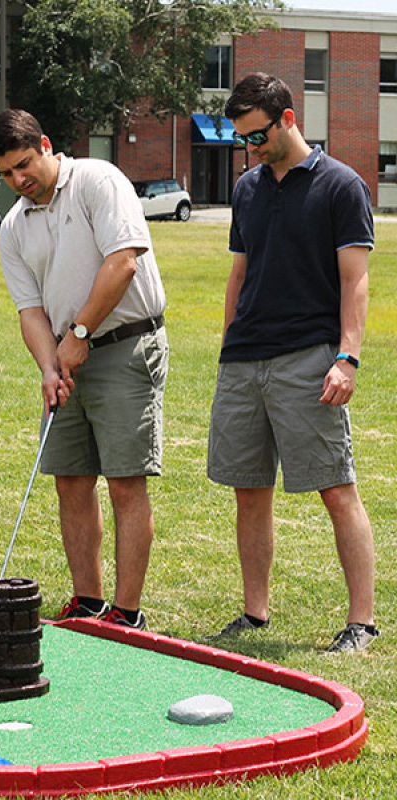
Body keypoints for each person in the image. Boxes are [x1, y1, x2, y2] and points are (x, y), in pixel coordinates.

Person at [207, 73, 378, 653]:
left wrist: (346, 358)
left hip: (310, 356)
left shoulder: (341, 185)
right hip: (245, 360)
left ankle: (362, 622)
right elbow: (239, 273)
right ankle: (255, 614)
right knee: (248, 490)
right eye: (241, 141)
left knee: (336, 487)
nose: (249, 151)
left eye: (256, 137)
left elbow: (355, 283)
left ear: (287, 120)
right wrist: (229, 345)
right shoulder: (249, 188)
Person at [0, 109, 168, 629]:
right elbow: (30, 311)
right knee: (71, 480)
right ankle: (89, 603)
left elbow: (123, 262)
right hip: (65, 358)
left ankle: (126, 613)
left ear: (45, 144)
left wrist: (80, 335)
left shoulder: (97, 179)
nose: (19, 180)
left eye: (24, 165)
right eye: (6, 173)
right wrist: (49, 365)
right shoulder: (14, 225)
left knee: (125, 482)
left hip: (125, 346)